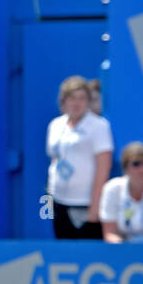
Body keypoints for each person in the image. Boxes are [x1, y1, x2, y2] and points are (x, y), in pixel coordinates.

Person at [46, 75, 113, 240]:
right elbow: (54, 159)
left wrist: (95, 207)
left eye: (82, 98)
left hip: (85, 203)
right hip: (59, 200)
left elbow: (103, 167)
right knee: (63, 250)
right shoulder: (55, 125)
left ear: (89, 101)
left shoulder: (99, 126)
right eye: (72, 98)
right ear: (63, 100)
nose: (76, 103)